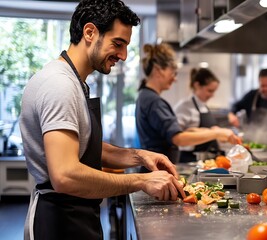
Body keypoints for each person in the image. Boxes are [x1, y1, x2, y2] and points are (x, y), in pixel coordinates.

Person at [19, 1, 185, 239]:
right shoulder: (60, 85)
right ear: (89, 32)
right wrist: (141, 181)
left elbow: (84, 147)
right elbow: (65, 175)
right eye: (118, 44)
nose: (124, 55)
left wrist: (139, 156)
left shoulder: (75, 83)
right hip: (59, 222)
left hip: (75, 214)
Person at [135, 43, 241, 165]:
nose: (174, 79)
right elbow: (178, 138)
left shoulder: (145, 96)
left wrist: (209, 131)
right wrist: (217, 133)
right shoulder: (154, 101)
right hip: (157, 168)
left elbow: (180, 131)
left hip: (156, 166)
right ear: (159, 70)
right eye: (173, 73)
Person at [174, 68, 223, 162]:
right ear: (197, 85)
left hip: (206, 161)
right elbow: (177, 137)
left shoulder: (203, 105)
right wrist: (213, 133)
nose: (212, 95)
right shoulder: (184, 107)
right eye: (210, 91)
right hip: (190, 161)